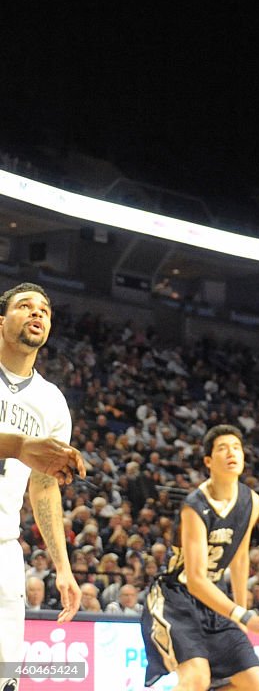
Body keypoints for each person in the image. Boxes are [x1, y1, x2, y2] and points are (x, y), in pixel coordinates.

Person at [141, 425, 259, 691]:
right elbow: (195, 580)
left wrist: (241, 612)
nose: (231, 452)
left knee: (255, 684)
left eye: (236, 447)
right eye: (222, 448)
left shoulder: (251, 501)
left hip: (214, 600)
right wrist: (244, 616)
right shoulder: (195, 506)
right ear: (208, 461)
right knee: (196, 679)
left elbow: (240, 557)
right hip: (175, 597)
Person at [0, 283, 85, 691]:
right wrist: (18, 445)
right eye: (24, 306)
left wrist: (63, 568)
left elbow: (45, 488)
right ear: (1, 321)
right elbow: (22, 450)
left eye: (45, 311)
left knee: (5, 678)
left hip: (3, 548)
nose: (37, 314)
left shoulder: (52, 402)